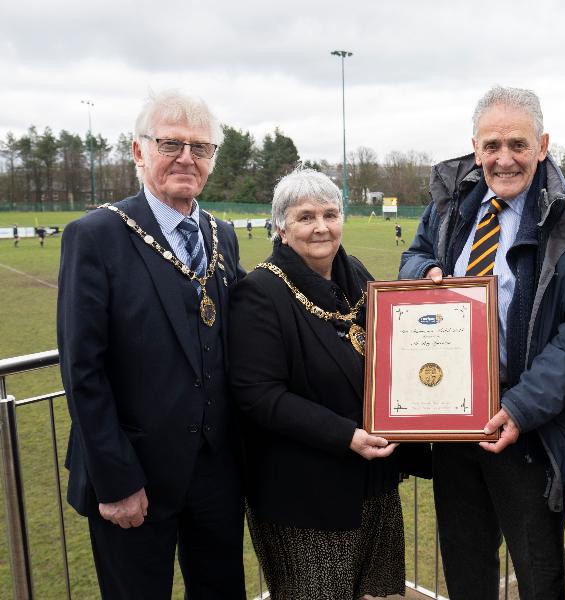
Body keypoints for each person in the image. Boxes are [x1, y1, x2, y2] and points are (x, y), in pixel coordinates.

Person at [399, 86, 565, 600]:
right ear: (475, 148)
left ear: (543, 145)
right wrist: (423, 271)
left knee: (539, 576)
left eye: (517, 144)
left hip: (527, 429)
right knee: (466, 569)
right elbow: (415, 253)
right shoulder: (453, 201)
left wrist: (521, 407)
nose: (504, 158)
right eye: (492, 145)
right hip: (453, 418)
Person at [57, 90, 246, 599]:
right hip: (134, 476)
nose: (187, 158)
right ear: (139, 152)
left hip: (215, 474)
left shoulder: (220, 235)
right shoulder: (96, 236)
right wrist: (116, 480)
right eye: (171, 144)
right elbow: (83, 370)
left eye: (200, 148)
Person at [229, 167, 430, 600]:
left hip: (371, 478)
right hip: (305, 496)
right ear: (281, 228)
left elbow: (397, 341)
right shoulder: (260, 292)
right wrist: (345, 436)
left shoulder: (354, 271)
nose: (321, 227)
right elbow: (259, 396)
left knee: (366, 591)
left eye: (330, 214)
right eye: (305, 217)